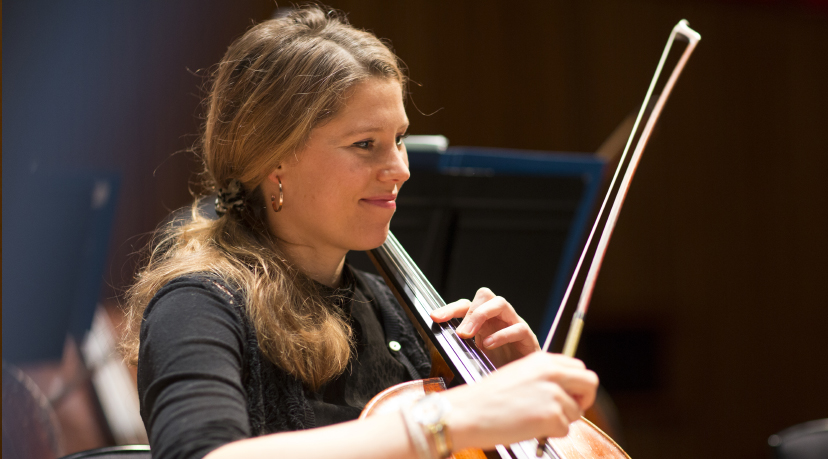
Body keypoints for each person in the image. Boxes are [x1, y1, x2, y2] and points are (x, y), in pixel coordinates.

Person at [121, 5, 599, 459]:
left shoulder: (386, 310)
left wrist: (503, 385)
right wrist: (446, 419)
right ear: (274, 161)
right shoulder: (197, 305)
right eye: (365, 144)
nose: (399, 169)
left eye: (399, 140)